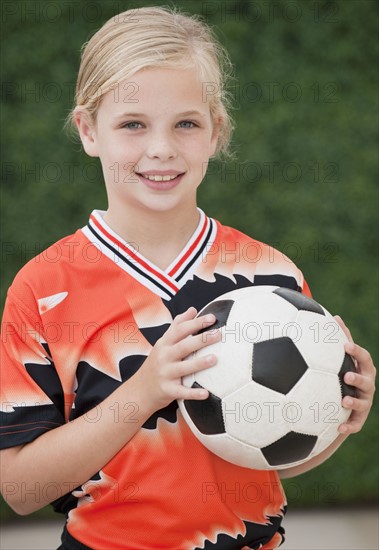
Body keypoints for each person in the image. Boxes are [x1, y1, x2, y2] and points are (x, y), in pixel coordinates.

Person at [0, 6, 376, 550]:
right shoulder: (43, 288)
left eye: (186, 123)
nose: (161, 148)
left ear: (215, 132)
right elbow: (19, 489)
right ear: (88, 131)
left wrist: (339, 420)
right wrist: (145, 391)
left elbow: (274, 456)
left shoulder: (271, 277)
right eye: (132, 124)